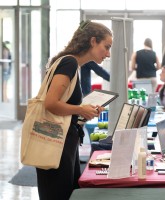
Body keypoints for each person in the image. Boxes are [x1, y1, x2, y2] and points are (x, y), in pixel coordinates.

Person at [37, 20, 111, 200]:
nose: (108, 54)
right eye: (106, 47)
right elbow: (50, 103)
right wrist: (80, 109)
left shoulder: (73, 65)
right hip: (57, 144)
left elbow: (61, 104)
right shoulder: (69, 63)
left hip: (63, 142)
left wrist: (84, 110)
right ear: (93, 41)